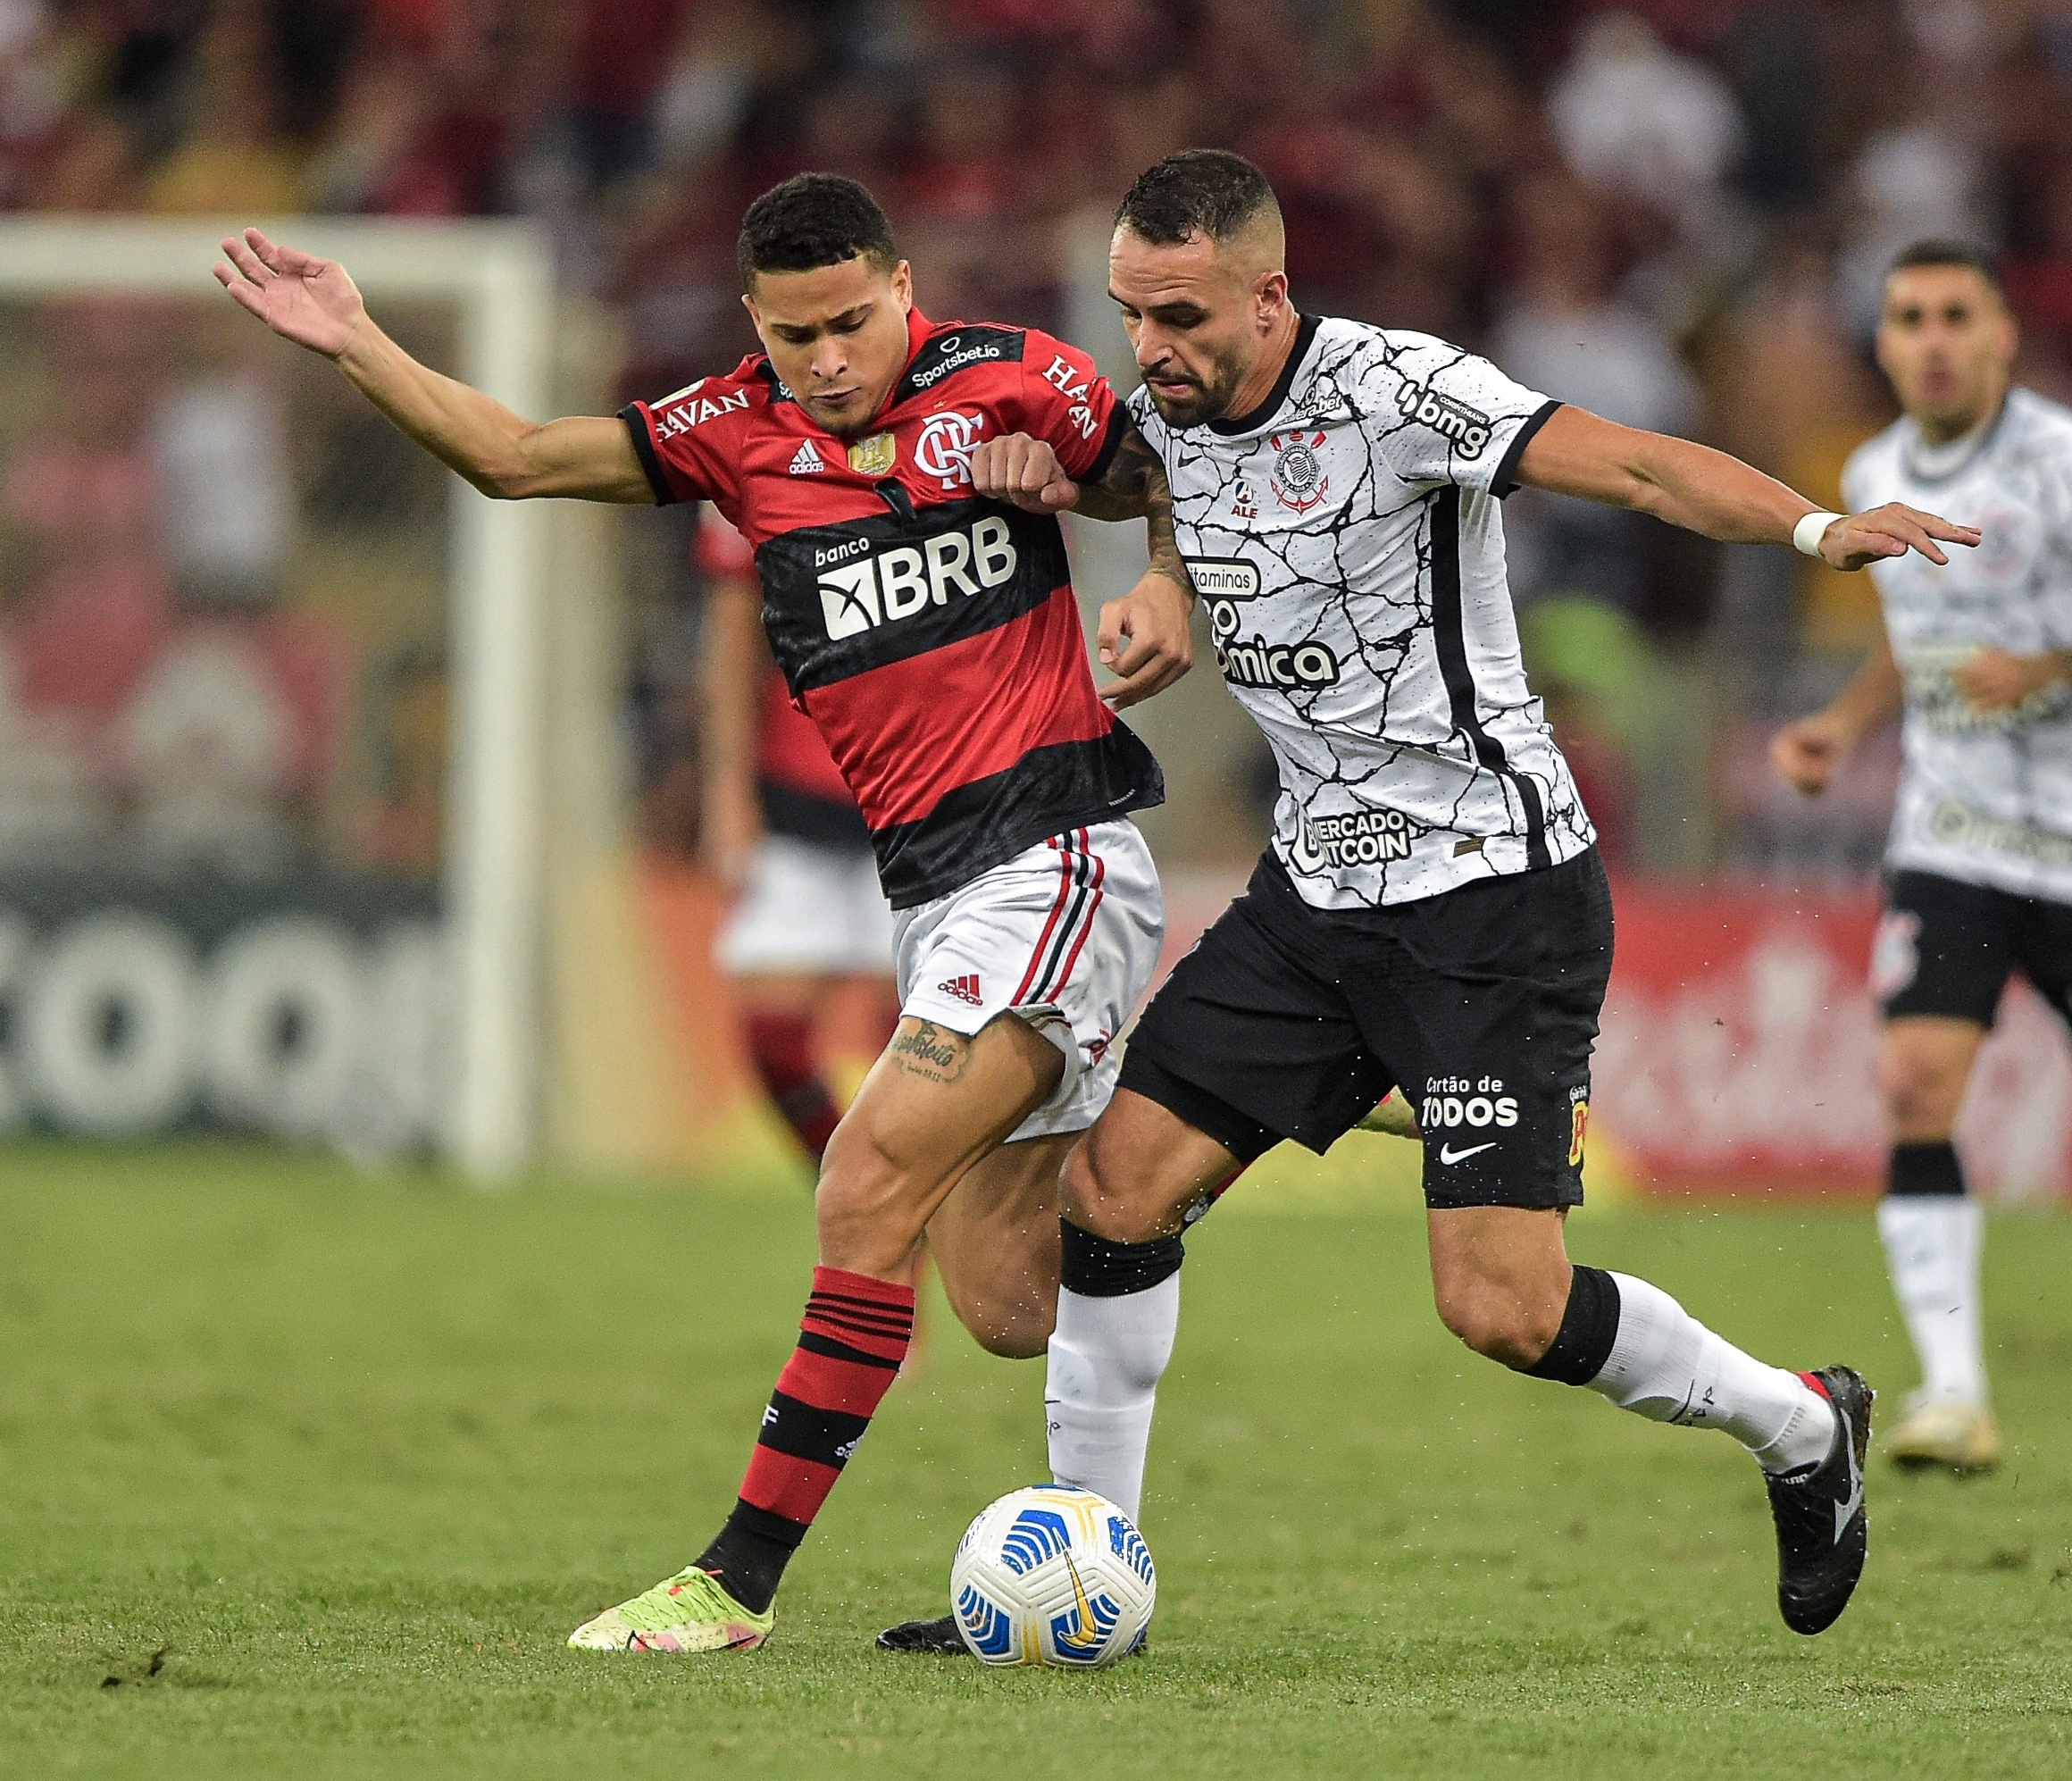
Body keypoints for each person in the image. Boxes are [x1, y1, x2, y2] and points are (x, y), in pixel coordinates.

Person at [958, 149, 1978, 1642]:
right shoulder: (1164, 414)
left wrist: (1817, 529)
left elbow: (1631, 462)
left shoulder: (1400, 393)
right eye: (1130, 316)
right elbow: (1134, 472)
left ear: (1269, 295)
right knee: (1113, 1198)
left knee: (1499, 1305)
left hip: (1494, 891)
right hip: (1314, 898)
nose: (1150, 351)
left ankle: (1803, 1426)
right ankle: (1081, 1566)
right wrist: (1090, 518)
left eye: (1178, 317)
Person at [214, 171, 1202, 1652]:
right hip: (932, 896)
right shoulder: (734, 428)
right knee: (1008, 1294)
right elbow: (518, 457)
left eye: (854, 321)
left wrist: (1166, 585)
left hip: (1053, 857)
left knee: (863, 1185)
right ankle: (1266, 1082)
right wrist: (360, 338)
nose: (828, 356)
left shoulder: (1009, 379)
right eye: (796, 331)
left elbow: (1173, 471)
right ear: (757, 320)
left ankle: (730, 1586)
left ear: (904, 283)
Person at [1769, 240, 2072, 1477]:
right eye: (1909, 317)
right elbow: (1918, 638)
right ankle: (1956, 1392)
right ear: (1883, 341)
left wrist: (2052, 668)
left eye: (1955, 317)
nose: (1931, 338)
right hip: (1953, 837)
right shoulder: (1871, 471)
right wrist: (1843, 722)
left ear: (2001, 337)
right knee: (1918, 1084)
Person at [694, 503, 896, 1160]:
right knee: (773, 1035)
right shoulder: (749, 446)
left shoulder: (963, 431)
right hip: (798, 785)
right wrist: (726, 789)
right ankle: (858, 1184)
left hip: (926, 784)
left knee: (929, 1040)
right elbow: (730, 629)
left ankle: (911, 1206)